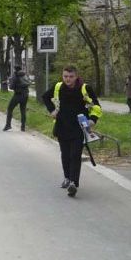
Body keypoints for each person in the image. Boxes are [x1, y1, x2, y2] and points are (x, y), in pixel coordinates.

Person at [41, 65, 102, 197]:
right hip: (62, 126)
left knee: (75, 155)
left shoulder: (85, 88)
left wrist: (93, 119)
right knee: (65, 154)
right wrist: (52, 110)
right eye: (65, 76)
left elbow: (96, 105)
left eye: (71, 77)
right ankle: (67, 178)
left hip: (78, 128)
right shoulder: (58, 87)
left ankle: (74, 183)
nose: (68, 79)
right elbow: (45, 97)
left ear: (76, 76)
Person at [3, 65, 30, 131]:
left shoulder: (15, 75)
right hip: (25, 95)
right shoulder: (24, 75)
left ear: (15, 69)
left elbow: (11, 87)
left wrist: (10, 85)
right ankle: (23, 127)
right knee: (23, 110)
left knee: (10, 109)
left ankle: (8, 125)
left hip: (17, 95)